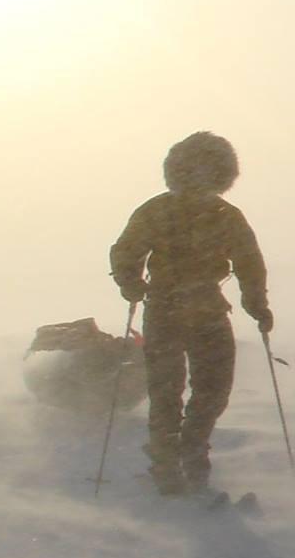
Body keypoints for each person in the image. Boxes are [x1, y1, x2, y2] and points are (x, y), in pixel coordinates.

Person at [110, 132, 272, 495]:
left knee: (213, 389)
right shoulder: (156, 211)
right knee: (168, 392)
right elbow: (126, 252)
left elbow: (249, 264)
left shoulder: (226, 216)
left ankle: (190, 449)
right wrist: (131, 283)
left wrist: (257, 304)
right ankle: (167, 465)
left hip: (207, 310)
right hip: (166, 309)